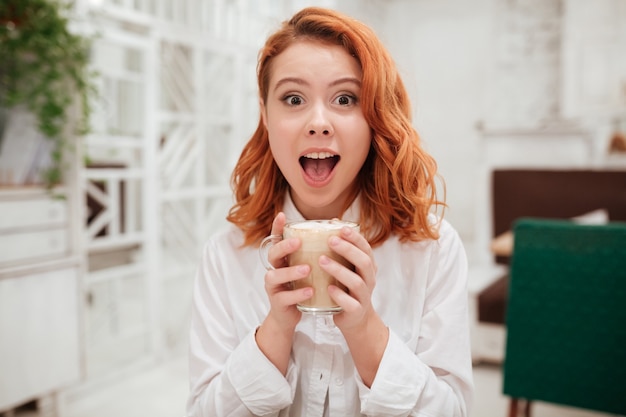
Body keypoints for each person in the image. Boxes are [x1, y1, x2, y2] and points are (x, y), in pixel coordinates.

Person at [186, 6, 473, 417]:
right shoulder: (224, 256)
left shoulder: (432, 249)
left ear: (375, 117)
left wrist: (365, 329)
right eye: (293, 98)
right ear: (265, 116)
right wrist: (275, 332)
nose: (318, 123)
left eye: (345, 98)